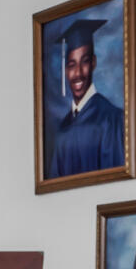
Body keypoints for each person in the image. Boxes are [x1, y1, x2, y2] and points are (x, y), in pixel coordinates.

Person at [46, 17, 124, 177]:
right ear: (66, 70)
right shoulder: (63, 128)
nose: (78, 73)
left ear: (93, 63)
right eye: (72, 65)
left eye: (85, 62)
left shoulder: (111, 119)